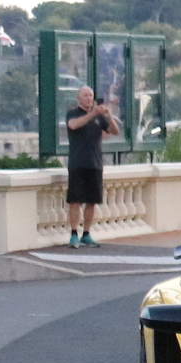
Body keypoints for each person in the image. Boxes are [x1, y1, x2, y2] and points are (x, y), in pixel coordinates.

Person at [63, 85, 115, 248]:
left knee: (91, 200)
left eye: (91, 95)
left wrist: (109, 116)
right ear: (79, 98)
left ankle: (86, 233)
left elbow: (114, 131)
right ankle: (73, 233)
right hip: (78, 163)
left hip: (95, 163)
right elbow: (73, 125)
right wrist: (93, 113)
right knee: (75, 200)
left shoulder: (99, 118)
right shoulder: (73, 114)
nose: (88, 98)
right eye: (85, 95)